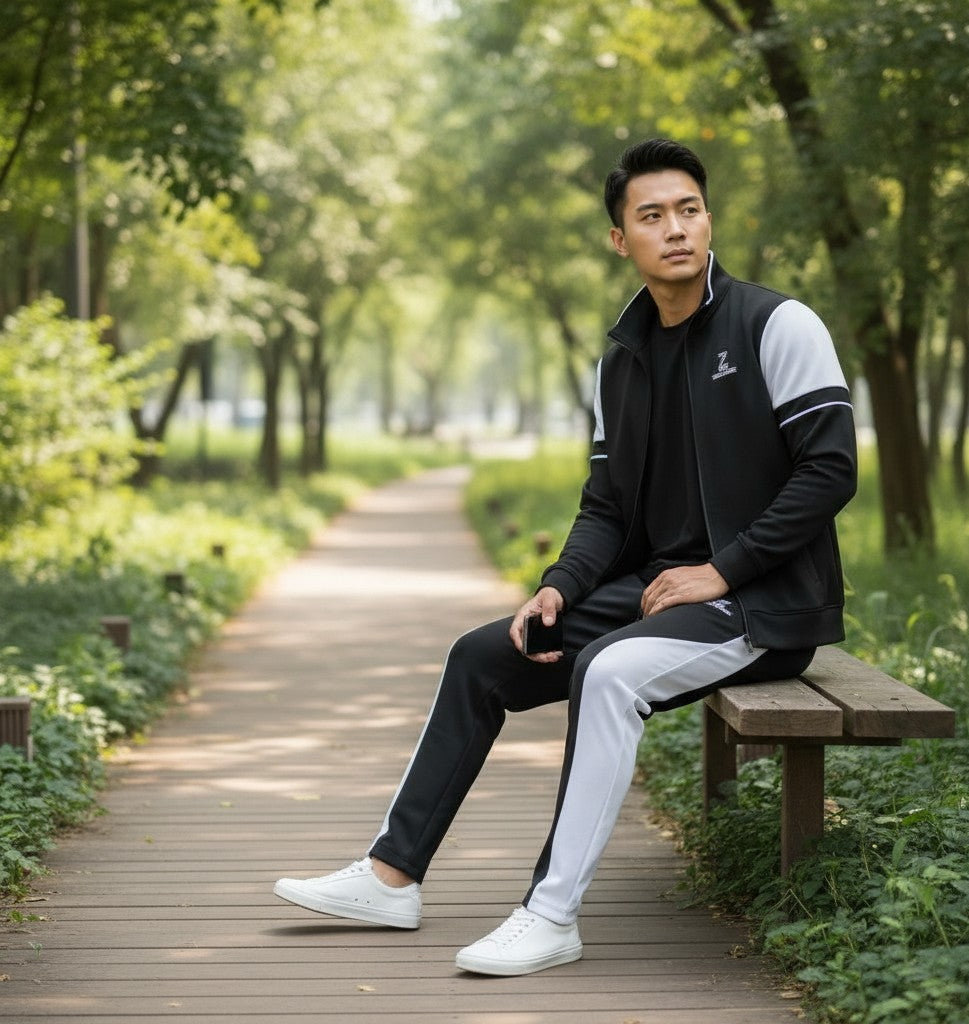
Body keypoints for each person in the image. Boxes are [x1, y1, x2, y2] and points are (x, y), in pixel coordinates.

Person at [273, 138, 858, 976]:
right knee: (482, 657)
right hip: (658, 591)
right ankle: (391, 876)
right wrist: (559, 587)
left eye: (689, 209)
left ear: (709, 219)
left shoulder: (777, 324)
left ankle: (551, 916)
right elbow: (606, 508)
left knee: (608, 673)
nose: (676, 228)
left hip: (762, 603)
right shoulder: (621, 361)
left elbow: (830, 470)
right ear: (620, 239)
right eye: (651, 216)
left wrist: (725, 568)